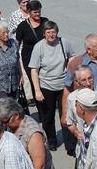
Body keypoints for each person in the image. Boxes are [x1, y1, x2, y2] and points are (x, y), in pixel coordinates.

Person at [0, 97, 58, 169]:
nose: (3, 125)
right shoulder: (13, 125)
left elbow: (39, 166)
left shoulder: (32, 133)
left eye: (4, 121)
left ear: (16, 115)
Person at [29, 20, 75, 150]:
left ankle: (69, 143)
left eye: (53, 32)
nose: (51, 35)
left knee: (66, 114)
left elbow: (72, 57)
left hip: (63, 86)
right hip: (46, 86)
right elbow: (34, 70)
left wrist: (69, 69)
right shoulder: (39, 47)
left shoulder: (63, 42)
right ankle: (51, 140)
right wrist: (37, 90)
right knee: (48, 117)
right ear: (44, 34)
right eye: (48, 32)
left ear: (57, 32)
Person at [15, 0, 48, 105]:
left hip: (44, 58)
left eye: (39, 12)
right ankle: (40, 106)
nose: (38, 14)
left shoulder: (45, 22)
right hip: (29, 60)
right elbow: (17, 44)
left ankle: (47, 102)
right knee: (35, 84)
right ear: (29, 12)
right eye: (35, 12)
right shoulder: (22, 26)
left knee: (45, 82)